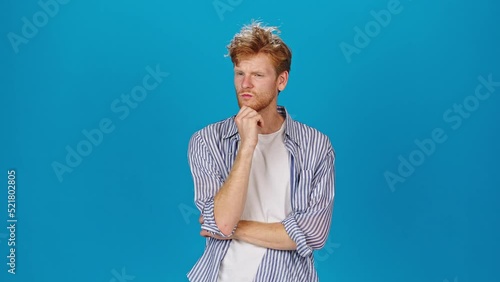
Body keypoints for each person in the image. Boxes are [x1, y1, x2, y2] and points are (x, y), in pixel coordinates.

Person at [187, 21, 336, 282]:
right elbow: (221, 223)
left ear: (281, 80)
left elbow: (314, 234)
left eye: (257, 75)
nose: (246, 84)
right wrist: (247, 146)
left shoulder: (316, 146)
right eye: (239, 73)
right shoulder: (207, 141)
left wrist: (234, 228)